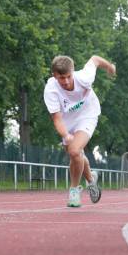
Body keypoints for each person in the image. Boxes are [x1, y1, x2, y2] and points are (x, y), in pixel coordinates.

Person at [43, 54, 116, 207]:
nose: (66, 82)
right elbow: (56, 118)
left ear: (73, 71)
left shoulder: (84, 77)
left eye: (69, 76)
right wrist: (65, 134)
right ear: (54, 75)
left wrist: (109, 66)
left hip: (87, 114)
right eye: (61, 78)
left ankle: (74, 191)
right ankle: (91, 181)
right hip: (67, 121)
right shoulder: (50, 89)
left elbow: (95, 59)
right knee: (77, 155)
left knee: (75, 151)